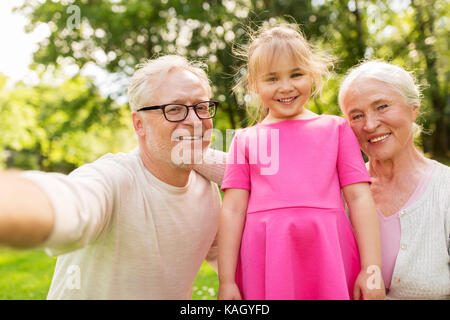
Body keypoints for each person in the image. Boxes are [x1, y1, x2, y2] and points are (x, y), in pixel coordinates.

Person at [0, 55, 222, 299]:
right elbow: (72, 205)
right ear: (139, 124)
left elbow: (242, 264)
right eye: (174, 109)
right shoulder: (113, 178)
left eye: (201, 107)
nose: (194, 121)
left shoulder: (207, 192)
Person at [216, 24, 385, 300]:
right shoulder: (245, 140)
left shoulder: (336, 129)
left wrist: (372, 270)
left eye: (296, 74)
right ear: (254, 84)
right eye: (272, 79)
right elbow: (233, 210)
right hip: (267, 258)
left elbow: (359, 199)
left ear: (312, 75)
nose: (286, 87)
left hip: (328, 253)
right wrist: (226, 281)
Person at [338, 60, 450, 299]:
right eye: (356, 116)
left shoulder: (445, 190)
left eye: (382, 107)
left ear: (413, 108)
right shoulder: (339, 195)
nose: (369, 124)